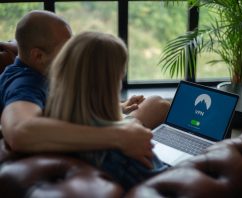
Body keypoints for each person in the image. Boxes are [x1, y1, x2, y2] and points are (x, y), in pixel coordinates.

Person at [0, 10, 170, 168]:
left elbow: (54, 110)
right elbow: (19, 131)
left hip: (91, 137)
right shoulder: (23, 84)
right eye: (67, 49)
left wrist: (119, 107)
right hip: (92, 151)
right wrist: (119, 135)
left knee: (157, 104)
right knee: (157, 105)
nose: (74, 53)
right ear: (38, 56)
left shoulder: (42, 72)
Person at [45, 31, 169, 189]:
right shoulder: (128, 149)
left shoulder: (49, 130)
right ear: (111, 83)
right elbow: (167, 188)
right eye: (120, 75)